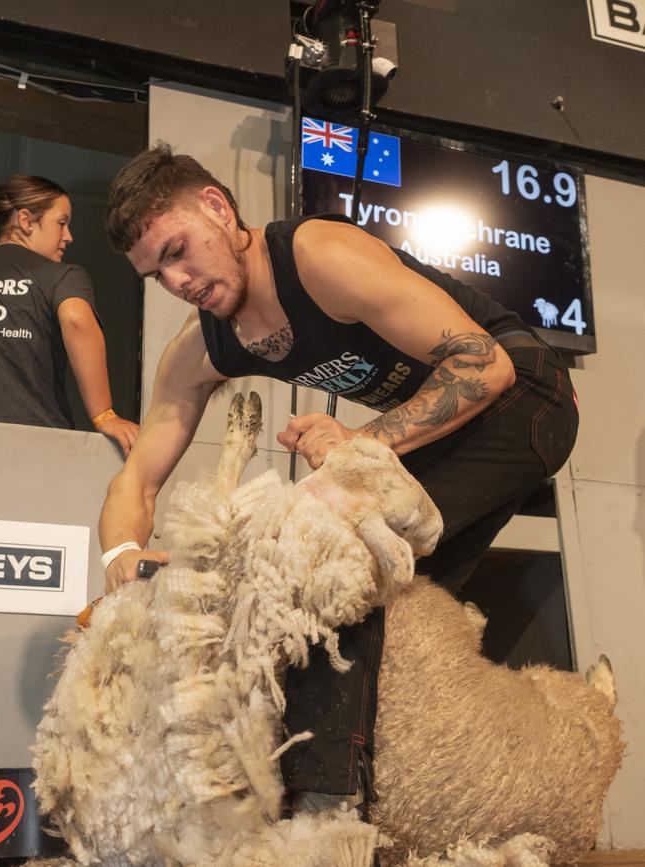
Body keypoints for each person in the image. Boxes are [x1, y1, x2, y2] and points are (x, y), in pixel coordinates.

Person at [98, 143, 578, 817]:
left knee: (330, 556)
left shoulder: (320, 255)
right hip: (446, 434)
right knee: (403, 610)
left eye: (178, 249)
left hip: (526, 398)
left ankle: (326, 815)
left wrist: (359, 441)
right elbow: (137, 479)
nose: (177, 279)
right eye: (157, 273)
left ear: (216, 206)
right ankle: (427, 798)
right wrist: (121, 556)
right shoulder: (205, 343)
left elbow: (483, 366)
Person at [0, 174, 139, 456]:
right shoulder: (62, 276)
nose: (68, 236)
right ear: (25, 221)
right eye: (61, 223)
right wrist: (104, 415)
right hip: (37, 441)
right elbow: (76, 319)